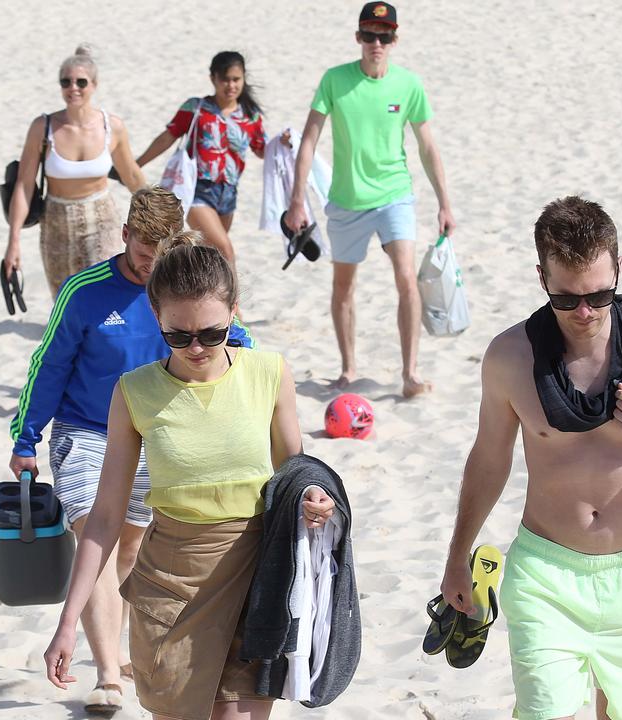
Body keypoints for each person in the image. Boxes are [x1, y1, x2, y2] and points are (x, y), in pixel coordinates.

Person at [439, 196, 622, 720]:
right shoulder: (511, 357)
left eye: (600, 295)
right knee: (545, 711)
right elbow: (488, 460)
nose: (584, 312)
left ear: (619, 269)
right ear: (541, 278)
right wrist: (456, 558)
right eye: (567, 298)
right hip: (545, 574)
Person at [42, 235, 334, 720]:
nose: (195, 347)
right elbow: (106, 517)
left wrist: (314, 500)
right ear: (157, 318)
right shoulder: (134, 392)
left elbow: (295, 475)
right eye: (178, 336)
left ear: (234, 313)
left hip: (257, 572)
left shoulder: (270, 373)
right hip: (170, 584)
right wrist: (68, 621)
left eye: (212, 333)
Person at [10, 189, 253, 716]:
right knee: (95, 532)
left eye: (159, 257)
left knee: (134, 550)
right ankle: (106, 674)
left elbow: (232, 341)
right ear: (125, 236)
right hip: (87, 433)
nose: (150, 267)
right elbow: (48, 364)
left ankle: (124, 655)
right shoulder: (84, 291)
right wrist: (26, 436)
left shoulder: (178, 288)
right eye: (143, 255)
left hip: (156, 432)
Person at [284, 1, 456, 395]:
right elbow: (309, 140)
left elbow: (427, 146)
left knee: (406, 278)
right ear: (358, 38)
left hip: (395, 195)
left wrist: (444, 201)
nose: (376, 43)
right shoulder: (335, 80)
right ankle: (347, 369)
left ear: (394, 39)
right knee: (343, 285)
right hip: (346, 200)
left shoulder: (408, 84)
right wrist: (297, 199)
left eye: (384, 36)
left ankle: (410, 373)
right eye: (369, 35)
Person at [4, 45, 148, 298]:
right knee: (67, 301)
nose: (73, 88)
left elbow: (132, 176)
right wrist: (13, 240)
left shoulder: (112, 127)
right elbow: (24, 185)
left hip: (102, 218)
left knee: (104, 294)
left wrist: (159, 213)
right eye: (66, 82)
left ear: (94, 84)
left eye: (81, 82)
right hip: (57, 224)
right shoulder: (43, 127)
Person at [136, 51, 275, 271]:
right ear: (213, 79)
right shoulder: (196, 108)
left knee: (209, 255)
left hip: (228, 193)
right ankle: (233, 305)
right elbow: (168, 137)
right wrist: (136, 164)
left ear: (243, 79)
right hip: (197, 190)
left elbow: (261, 149)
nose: (231, 85)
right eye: (225, 79)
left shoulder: (250, 115)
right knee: (225, 250)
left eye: (236, 79)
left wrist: (286, 146)